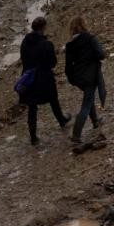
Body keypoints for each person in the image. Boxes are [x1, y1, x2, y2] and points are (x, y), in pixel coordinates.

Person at [17, 17, 69, 145]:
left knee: (32, 107)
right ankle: (62, 120)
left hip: (28, 78)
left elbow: (23, 59)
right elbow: (53, 63)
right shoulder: (46, 44)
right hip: (44, 78)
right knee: (53, 100)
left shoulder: (25, 42)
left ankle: (33, 137)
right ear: (43, 28)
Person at [64, 16, 106, 145]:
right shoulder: (90, 38)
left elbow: (67, 66)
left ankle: (95, 121)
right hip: (90, 76)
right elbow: (101, 54)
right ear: (83, 25)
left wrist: (72, 80)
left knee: (89, 96)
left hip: (78, 77)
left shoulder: (70, 45)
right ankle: (76, 135)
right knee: (86, 103)